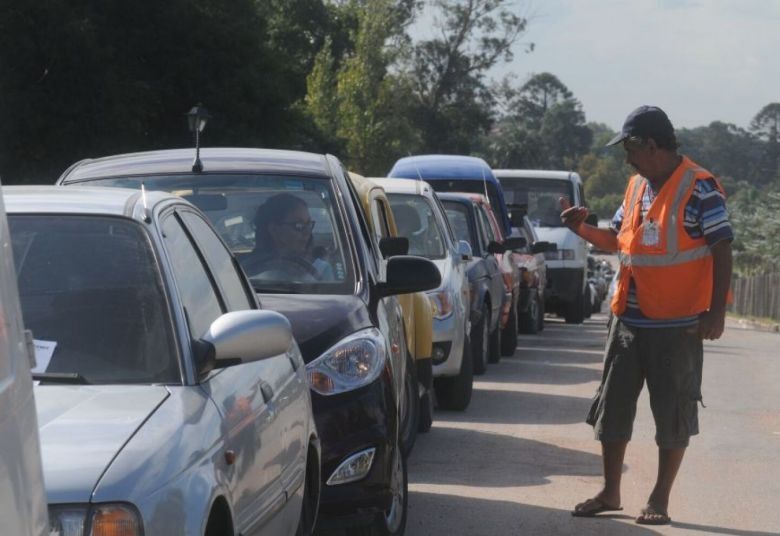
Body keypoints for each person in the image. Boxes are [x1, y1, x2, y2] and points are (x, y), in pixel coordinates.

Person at [563, 106, 733, 526]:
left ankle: (659, 498)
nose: (627, 159)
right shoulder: (636, 187)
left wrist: (716, 312)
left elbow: (722, 247)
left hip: (677, 325)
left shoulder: (700, 187)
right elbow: (618, 242)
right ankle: (610, 492)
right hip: (628, 321)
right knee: (613, 407)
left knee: (672, 411)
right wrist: (582, 229)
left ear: (651, 146)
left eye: (631, 150)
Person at [244, 192, 334, 281]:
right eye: (299, 225)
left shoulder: (321, 269)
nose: (307, 232)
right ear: (274, 229)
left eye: (309, 224)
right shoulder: (241, 271)